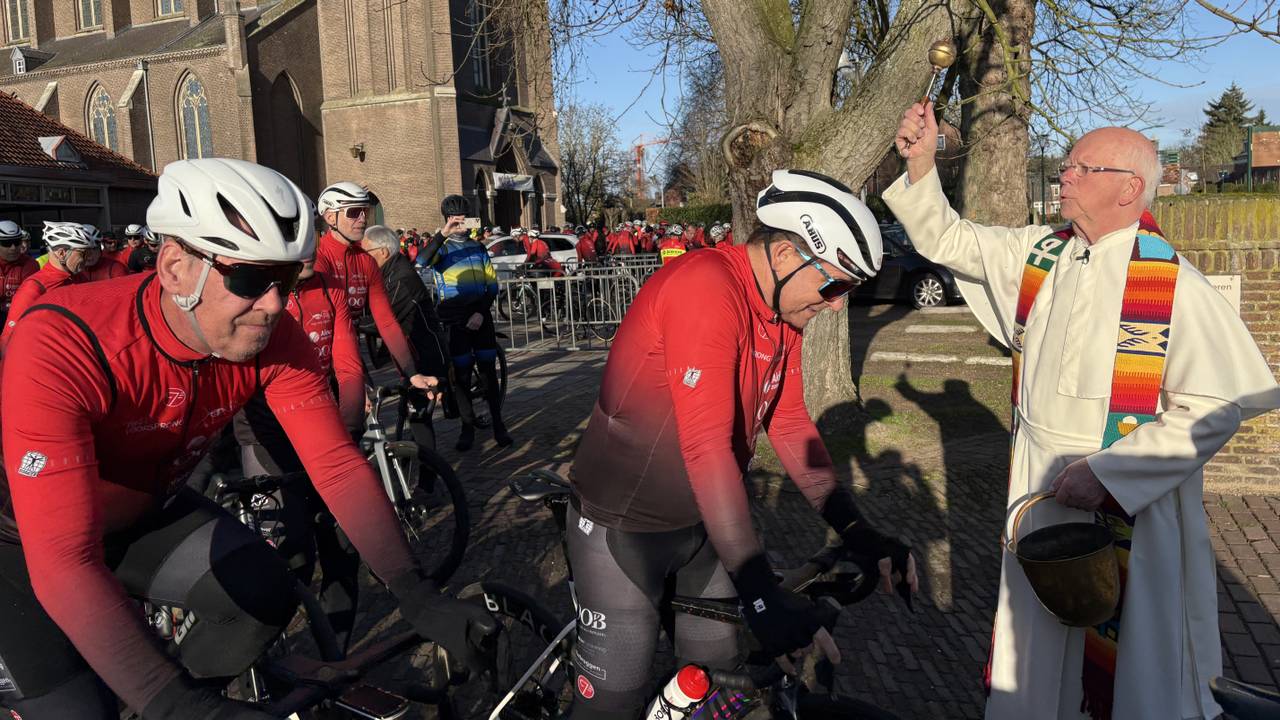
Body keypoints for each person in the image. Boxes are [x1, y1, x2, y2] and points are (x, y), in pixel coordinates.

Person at [0, 158, 494, 720]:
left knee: (265, 594)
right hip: (22, 541)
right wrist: (179, 705)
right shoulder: (65, 340)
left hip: (145, 511)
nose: (275, 303)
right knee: (84, 710)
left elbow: (335, 465)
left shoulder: (270, 334)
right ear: (176, 268)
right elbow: (64, 559)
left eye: (286, 280)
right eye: (250, 279)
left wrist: (416, 591)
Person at [888, 102, 1280, 720]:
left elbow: (1213, 408)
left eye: (1081, 167)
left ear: (1129, 188)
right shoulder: (1040, 254)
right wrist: (921, 164)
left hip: (1129, 504)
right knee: (1034, 646)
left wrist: (1109, 475)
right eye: (1066, 165)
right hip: (1038, 486)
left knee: (1133, 666)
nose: (1064, 175)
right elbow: (950, 239)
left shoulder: (1173, 284)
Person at [567, 169, 919, 720]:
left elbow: (790, 424)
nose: (836, 305)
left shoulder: (781, 313)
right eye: (835, 285)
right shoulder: (706, 287)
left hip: (704, 528)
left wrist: (857, 530)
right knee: (610, 711)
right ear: (783, 254)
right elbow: (707, 448)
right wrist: (760, 594)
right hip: (625, 532)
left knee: (716, 697)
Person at [418, 195, 512, 451]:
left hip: (480, 316)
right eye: (455, 219)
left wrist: (481, 312)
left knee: (488, 373)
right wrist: (443, 234)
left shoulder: (478, 247)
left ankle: (498, 425)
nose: (460, 223)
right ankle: (467, 428)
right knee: (461, 376)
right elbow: (421, 261)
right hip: (454, 317)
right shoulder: (442, 248)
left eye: (464, 218)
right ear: (447, 219)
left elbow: (492, 285)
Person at [314, 181, 419, 382]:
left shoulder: (366, 261)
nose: (362, 218)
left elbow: (386, 322)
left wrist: (411, 373)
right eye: (354, 212)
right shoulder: (319, 259)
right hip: (315, 356)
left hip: (348, 350)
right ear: (330, 217)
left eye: (365, 211)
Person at [362, 224, 450, 450]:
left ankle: (428, 471)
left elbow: (384, 318)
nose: (362, 259)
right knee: (410, 410)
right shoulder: (388, 272)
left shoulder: (401, 278)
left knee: (419, 417)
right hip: (410, 354)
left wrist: (349, 325)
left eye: (365, 253)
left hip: (425, 354)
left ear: (383, 252)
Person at [1, 221, 96, 353]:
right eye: (84, 253)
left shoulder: (80, 277)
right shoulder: (34, 288)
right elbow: (9, 340)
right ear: (62, 253)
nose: (89, 258)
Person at [0, 221, 37, 327]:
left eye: (17, 242)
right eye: (7, 243)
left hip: (19, 316)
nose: (13, 248)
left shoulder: (30, 264)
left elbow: (28, 297)